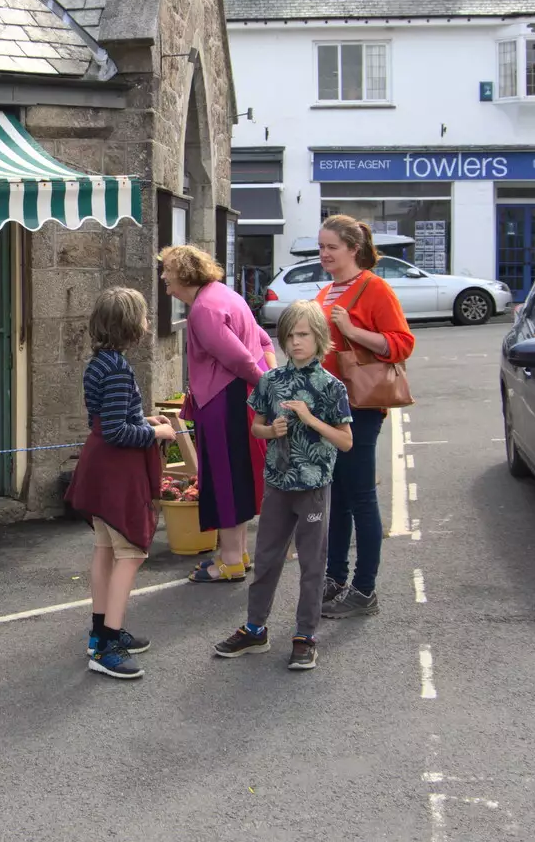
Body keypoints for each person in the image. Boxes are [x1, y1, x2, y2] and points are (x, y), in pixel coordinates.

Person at [213, 301, 352, 671]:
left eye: (304, 334)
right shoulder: (271, 381)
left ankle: (305, 635)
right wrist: (269, 430)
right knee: (267, 560)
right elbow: (255, 426)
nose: (296, 342)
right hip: (277, 484)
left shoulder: (330, 386)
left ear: (319, 337)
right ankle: (255, 628)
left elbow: (346, 441)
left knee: (312, 565)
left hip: (313, 487)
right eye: (290, 335)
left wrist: (310, 419)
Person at [63, 286, 176, 680]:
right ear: (131, 326)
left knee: (105, 551)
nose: (148, 323)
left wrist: (145, 419)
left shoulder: (100, 363)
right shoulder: (117, 368)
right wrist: (158, 434)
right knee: (131, 553)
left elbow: (110, 420)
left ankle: (100, 632)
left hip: (101, 466)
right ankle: (107, 645)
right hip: (116, 472)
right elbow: (116, 431)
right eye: (145, 316)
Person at [314, 215, 415, 618]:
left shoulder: (375, 289)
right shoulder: (326, 291)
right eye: (321, 247)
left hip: (360, 406)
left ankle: (365, 589)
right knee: (337, 496)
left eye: (331, 248)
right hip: (328, 404)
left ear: (353, 249)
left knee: (360, 497)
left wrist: (353, 330)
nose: (323, 254)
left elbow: (403, 344)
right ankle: (336, 577)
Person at [160, 245, 277, 583]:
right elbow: (261, 340)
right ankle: (237, 553)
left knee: (225, 480)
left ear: (183, 273)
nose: (164, 276)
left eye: (167, 269)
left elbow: (238, 358)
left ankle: (229, 561)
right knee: (237, 478)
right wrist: (265, 380)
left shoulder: (204, 309)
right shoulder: (224, 295)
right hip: (237, 397)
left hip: (223, 399)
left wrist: (265, 385)